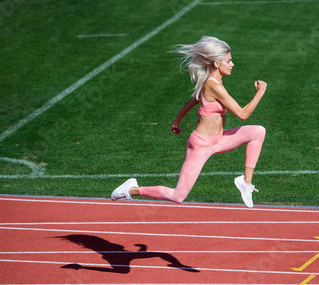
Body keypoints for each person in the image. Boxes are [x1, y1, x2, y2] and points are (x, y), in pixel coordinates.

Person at [111, 36, 267, 208]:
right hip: (201, 145)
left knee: (258, 132)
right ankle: (132, 189)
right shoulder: (213, 86)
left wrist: (176, 122)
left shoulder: (212, 82)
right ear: (216, 63)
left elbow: (190, 102)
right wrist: (260, 92)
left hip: (219, 139)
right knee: (178, 195)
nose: (232, 64)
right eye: (228, 61)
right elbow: (242, 114)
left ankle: (246, 183)